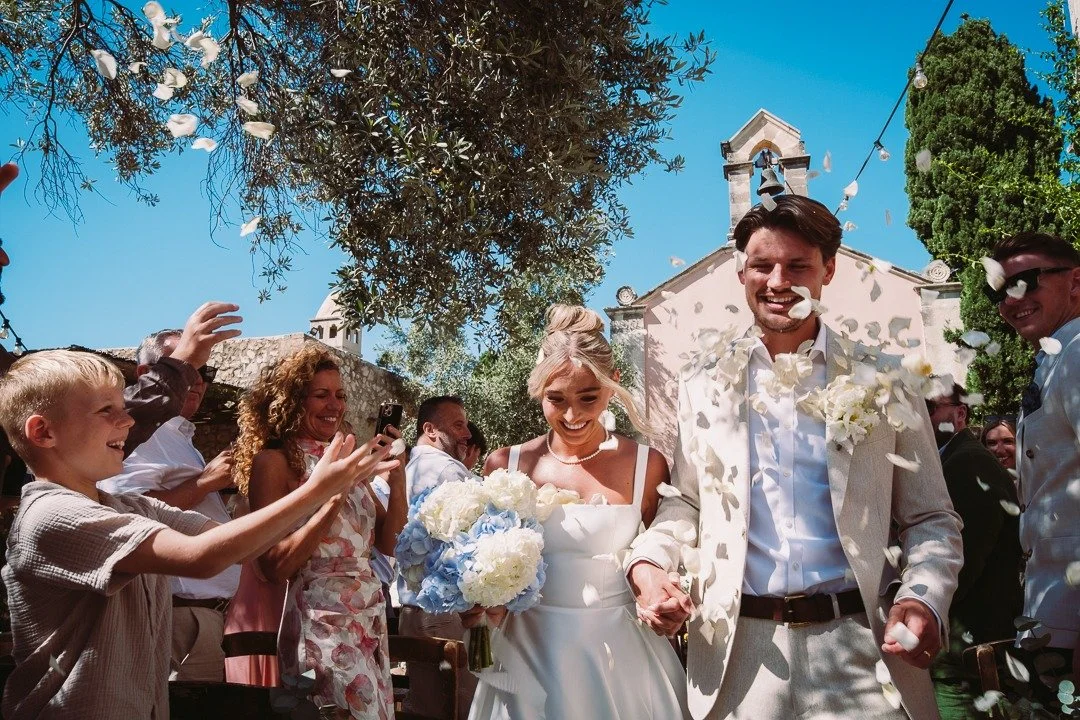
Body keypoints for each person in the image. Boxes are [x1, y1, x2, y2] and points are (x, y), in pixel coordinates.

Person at [628, 194, 963, 720]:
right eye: (762, 265)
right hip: (740, 655)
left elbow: (931, 517)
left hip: (863, 651)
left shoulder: (887, 378)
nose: (777, 281)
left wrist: (923, 598)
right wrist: (649, 566)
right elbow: (687, 503)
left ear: (828, 269)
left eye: (797, 266)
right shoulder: (703, 381)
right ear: (742, 273)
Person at [0, 349, 397, 719]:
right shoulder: (53, 515)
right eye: (108, 410)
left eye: (124, 409)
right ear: (43, 432)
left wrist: (341, 485)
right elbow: (201, 556)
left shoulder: (127, 506)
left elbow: (241, 545)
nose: (127, 422)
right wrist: (321, 491)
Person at [465, 304, 688, 720]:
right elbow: (479, 575)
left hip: (624, 659)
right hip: (529, 651)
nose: (572, 415)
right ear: (537, 390)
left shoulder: (646, 465)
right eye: (556, 399)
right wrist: (478, 604)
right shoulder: (505, 465)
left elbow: (661, 553)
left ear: (613, 383)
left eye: (589, 397)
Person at [227, 343, 407, 717]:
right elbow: (276, 567)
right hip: (320, 623)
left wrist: (398, 472)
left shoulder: (344, 459)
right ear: (292, 401)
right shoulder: (274, 461)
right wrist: (334, 490)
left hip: (369, 616)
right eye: (321, 395)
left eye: (340, 395)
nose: (335, 405)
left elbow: (389, 542)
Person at [97, 329, 241, 682]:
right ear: (146, 375)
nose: (195, 380)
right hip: (179, 621)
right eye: (185, 367)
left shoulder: (179, 437)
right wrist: (207, 482)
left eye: (203, 371)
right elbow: (128, 512)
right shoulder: (139, 437)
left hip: (206, 619)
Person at [989, 230, 1080, 702]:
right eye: (1000, 288)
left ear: (1075, 282)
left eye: (1026, 280)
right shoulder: (1056, 358)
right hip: (1052, 620)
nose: (1011, 299)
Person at [924, 384, 1022, 718]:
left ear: (960, 413)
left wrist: (922, 607)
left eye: (930, 407)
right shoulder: (950, 460)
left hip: (968, 650)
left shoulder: (967, 462)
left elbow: (961, 562)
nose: (919, 416)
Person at [397, 395, 477, 718]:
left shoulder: (406, 470)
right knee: (463, 707)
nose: (467, 433)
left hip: (412, 613)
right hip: (445, 615)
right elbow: (471, 543)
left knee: (428, 709)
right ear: (429, 430)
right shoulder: (448, 471)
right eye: (458, 425)